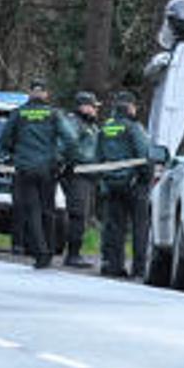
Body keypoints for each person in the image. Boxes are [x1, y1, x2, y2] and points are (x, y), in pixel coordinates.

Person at [0, 79, 76, 269]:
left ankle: (40, 252)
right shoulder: (54, 114)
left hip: (25, 169)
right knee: (48, 210)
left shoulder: (18, 113)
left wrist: (8, 157)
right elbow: (71, 139)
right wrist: (62, 158)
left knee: (32, 210)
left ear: (30, 93)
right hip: (48, 169)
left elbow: (4, 140)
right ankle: (48, 250)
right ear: (46, 94)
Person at [97, 91, 150, 277]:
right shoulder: (134, 128)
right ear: (129, 107)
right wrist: (145, 178)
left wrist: (106, 177)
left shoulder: (105, 128)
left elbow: (98, 156)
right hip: (134, 184)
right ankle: (139, 268)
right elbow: (145, 154)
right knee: (139, 227)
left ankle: (113, 265)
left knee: (114, 227)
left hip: (112, 184)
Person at [60, 91, 101, 268]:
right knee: (78, 214)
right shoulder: (73, 122)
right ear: (83, 106)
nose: (95, 110)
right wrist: (81, 161)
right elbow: (69, 145)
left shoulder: (89, 125)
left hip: (88, 176)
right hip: (77, 174)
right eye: (93, 107)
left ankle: (75, 252)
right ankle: (72, 255)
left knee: (82, 215)